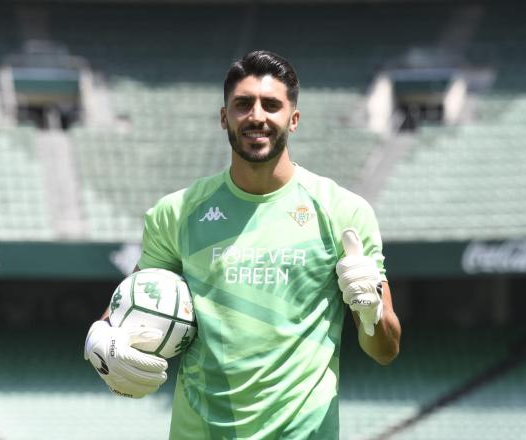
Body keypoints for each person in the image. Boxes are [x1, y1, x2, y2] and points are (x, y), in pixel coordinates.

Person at [84, 50, 401, 439]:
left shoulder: (344, 213)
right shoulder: (177, 213)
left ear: (294, 119)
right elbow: (128, 305)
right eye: (243, 104)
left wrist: (369, 313)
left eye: (271, 105)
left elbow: (385, 350)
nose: (257, 116)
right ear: (224, 117)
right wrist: (101, 338)